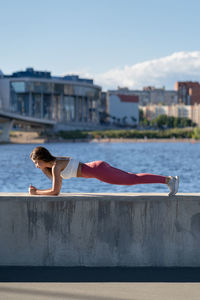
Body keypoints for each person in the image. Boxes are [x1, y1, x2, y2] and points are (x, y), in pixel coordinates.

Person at [29, 146, 179, 196]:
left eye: (36, 162)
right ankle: (168, 179)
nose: (36, 165)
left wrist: (36, 192)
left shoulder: (56, 166)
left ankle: (168, 180)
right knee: (133, 178)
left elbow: (55, 191)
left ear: (42, 158)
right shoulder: (55, 165)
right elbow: (56, 188)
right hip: (97, 168)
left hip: (98, 171)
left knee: (133, 179)